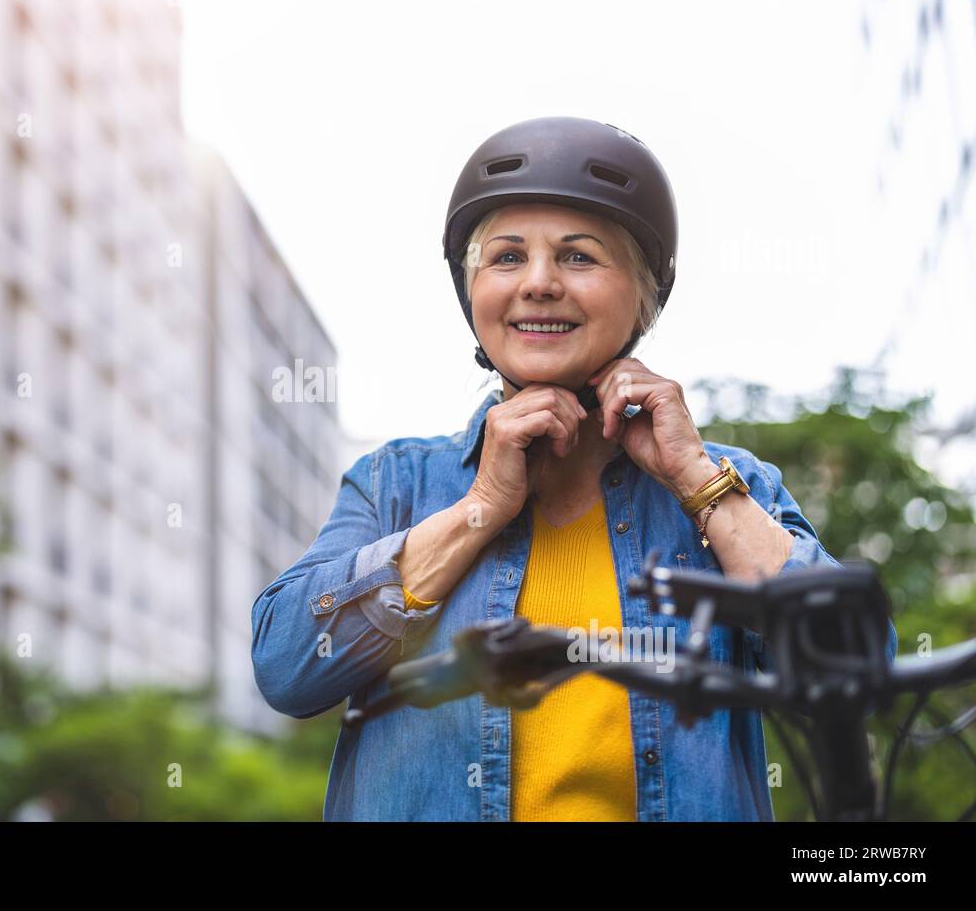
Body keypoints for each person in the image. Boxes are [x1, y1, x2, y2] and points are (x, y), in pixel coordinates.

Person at [250, 116, 898, 821]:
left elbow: (858, 668)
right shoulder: (395, 483)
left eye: (579, 257)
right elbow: (287, 668)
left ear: (645, 293)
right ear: (471, 293)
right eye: (504, 258)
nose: (538, 284)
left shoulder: (731, 482)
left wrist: (696, 480)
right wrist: (479, 509)